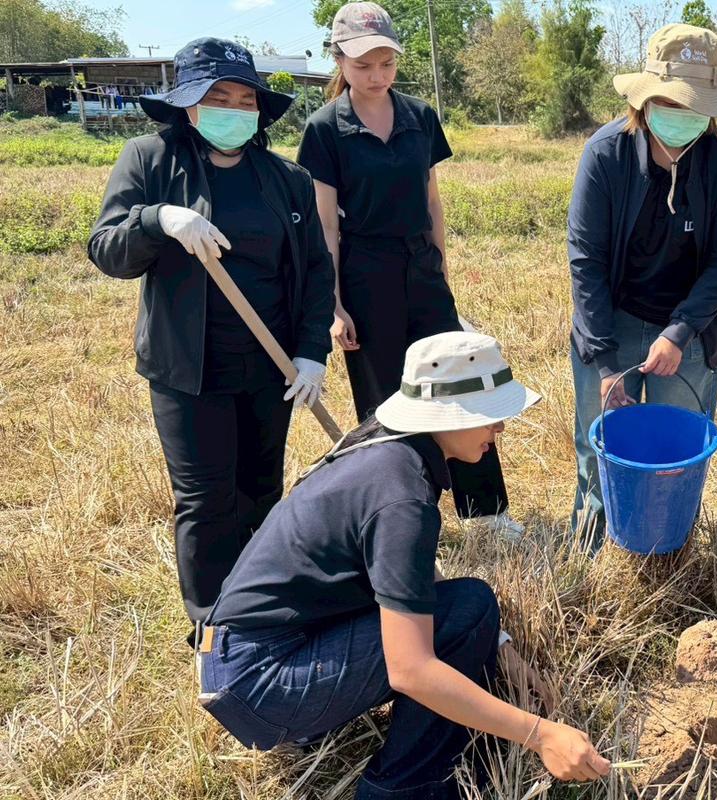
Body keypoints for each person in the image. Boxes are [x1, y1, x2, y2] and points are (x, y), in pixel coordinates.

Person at [198, 332, 611, 799]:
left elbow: (408, 578)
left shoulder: (386, 450)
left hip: (239, 661)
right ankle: (404, 786)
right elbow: (410, 670)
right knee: (467, 609)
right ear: (450, 414)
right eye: (492, 415)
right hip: (262, 682)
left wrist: (504, 653)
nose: (500, 429)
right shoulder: (401, 497)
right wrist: (542, 735)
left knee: (469, 614)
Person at [88, 38, 334, 631]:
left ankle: (262, 612)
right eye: (216, 96)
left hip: (272, 367)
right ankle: (212, 626)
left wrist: (310, 353)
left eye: (244, 98)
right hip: (188, 370)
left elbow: (316, 270)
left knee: (261, 493)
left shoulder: (285, 179)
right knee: (205, 503)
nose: (233, 109)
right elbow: (107, 250)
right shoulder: (150, 161)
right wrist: (159, 219)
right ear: (189, 106)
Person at [296, 2, 521, 541]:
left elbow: (432, 199)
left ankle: (485, 511)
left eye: (386, 64)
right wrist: (334, 304)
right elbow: (325, 224)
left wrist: (441, 270)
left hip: (421, 265)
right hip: (364, 271)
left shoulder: (420, 116)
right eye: (363, 65)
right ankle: (402, 516)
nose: (376, 76)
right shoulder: (325, 129)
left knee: (459, 383)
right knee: (386, 398)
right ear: (339, 62)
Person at [568, 23, 717, 546]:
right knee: (598, 444)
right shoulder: (606, 155)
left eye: (694, 106)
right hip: (612, 318)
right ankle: (592, 548)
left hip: (688, 327)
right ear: (644, 101)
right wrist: (605, 363)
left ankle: (670, 549)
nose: (680, 116)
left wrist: (680, 331)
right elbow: (586, 262)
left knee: (675, 453)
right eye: (670, 103)